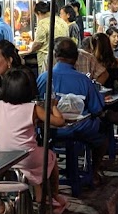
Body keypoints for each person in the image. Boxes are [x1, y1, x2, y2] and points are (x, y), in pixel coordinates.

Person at [0, 68, 70, 214]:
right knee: (50, 156)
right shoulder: (32, 108)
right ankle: (52, 195)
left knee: (39, 154)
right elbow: (60, 121)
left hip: (5, 159)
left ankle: (38, 192)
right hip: (26, 158)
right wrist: (52, 104)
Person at [36, 39, 110, 179]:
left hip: (49, 131)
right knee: (103, 134)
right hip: (80, 130)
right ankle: (93, 172)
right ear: (76, 58)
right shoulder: (84, 80)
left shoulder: (43, 78)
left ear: (55, 56)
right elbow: (97, 109)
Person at [28, 1, 69, 69]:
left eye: (36, 15)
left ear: (39, 13)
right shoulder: (62, 21)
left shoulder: (43, 23)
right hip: (61, 57)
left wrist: (31, 50)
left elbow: (38, 44)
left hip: (46, 59)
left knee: (46, 78)